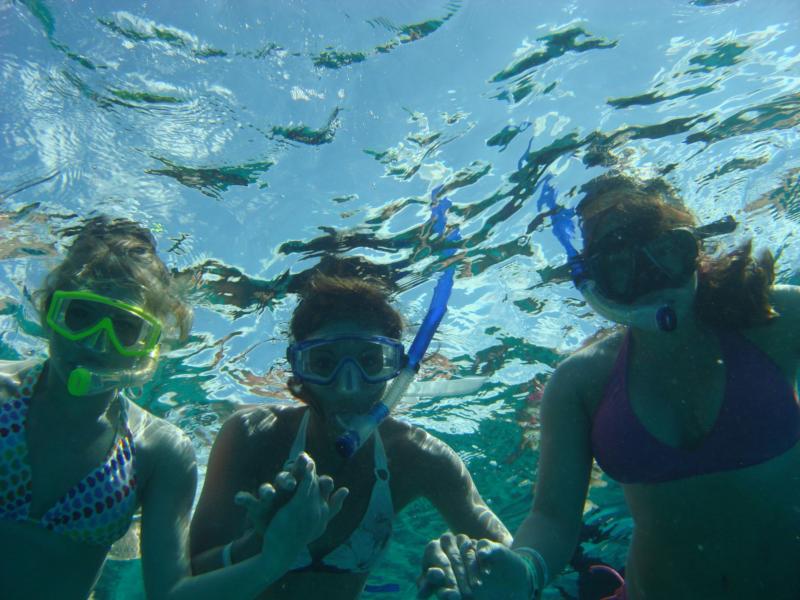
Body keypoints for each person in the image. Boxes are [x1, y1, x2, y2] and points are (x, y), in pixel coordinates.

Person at [418, 173, 800, 600]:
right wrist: (524, 571)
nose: (652, 280)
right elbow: (553, 519)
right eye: (622, 265)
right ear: (597, 283)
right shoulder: (581, 382)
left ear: (695, 249)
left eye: (667, 253)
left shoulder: (777, 318)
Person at [0, 216, 342, 600]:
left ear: (150, 342)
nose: (97, 342)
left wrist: (275, 557)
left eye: (124, 327)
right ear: (50, 313)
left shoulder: (159, 451)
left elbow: (172, 593)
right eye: (80, 315)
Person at [190, 270, 511, 599]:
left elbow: (516, 561)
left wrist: (467, 567)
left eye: (371, 361)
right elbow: (189, 576)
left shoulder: (419, 456)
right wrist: (262, 543)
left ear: (398, 368)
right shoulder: (253, 435)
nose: (348, 386)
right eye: (324, 362)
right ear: (298, 370)